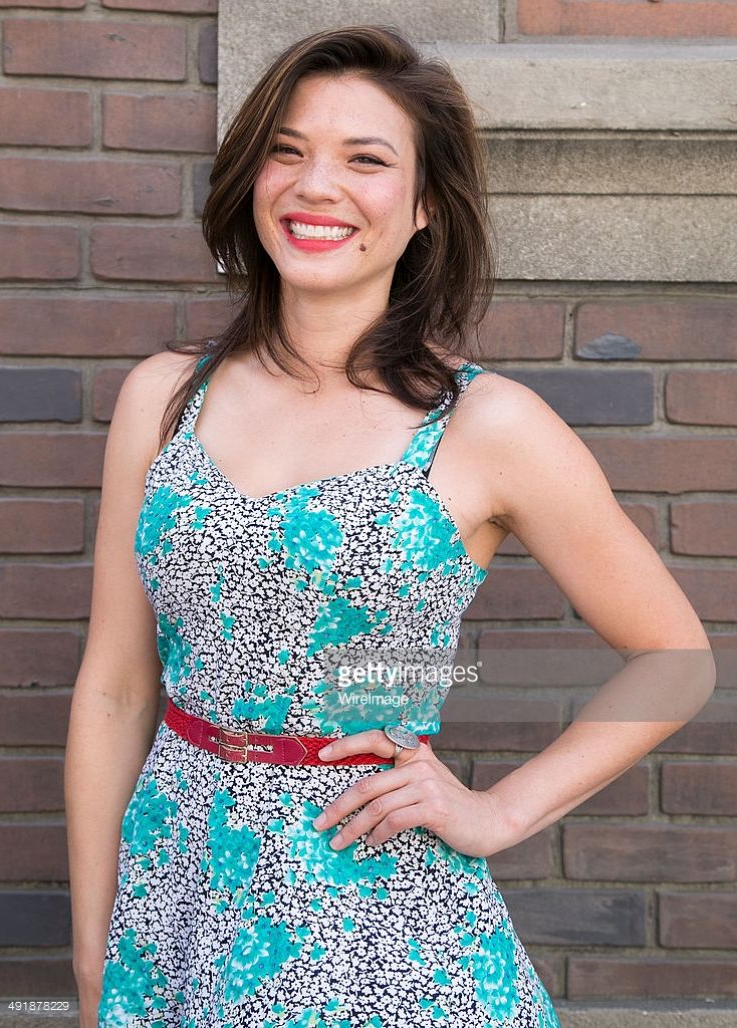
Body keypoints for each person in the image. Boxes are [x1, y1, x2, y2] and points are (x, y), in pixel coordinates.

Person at [64, 23, 716, 1028]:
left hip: (377, 922)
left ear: (423, 207)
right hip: (174, 905)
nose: (315, 185)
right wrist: (94, 946)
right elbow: (114, 689)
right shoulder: (163, 399)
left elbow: (676, 659)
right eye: (287, 150)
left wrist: (498, 810)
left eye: (365, 160)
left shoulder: (486, 426)